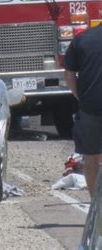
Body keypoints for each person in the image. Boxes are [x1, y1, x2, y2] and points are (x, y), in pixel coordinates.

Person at [64, 24, 102, 197]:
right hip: (89, 105)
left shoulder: (81, 40)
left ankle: (96, 203)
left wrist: (80, 97)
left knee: (91, 156)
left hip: (90, 106)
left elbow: (69, 75)